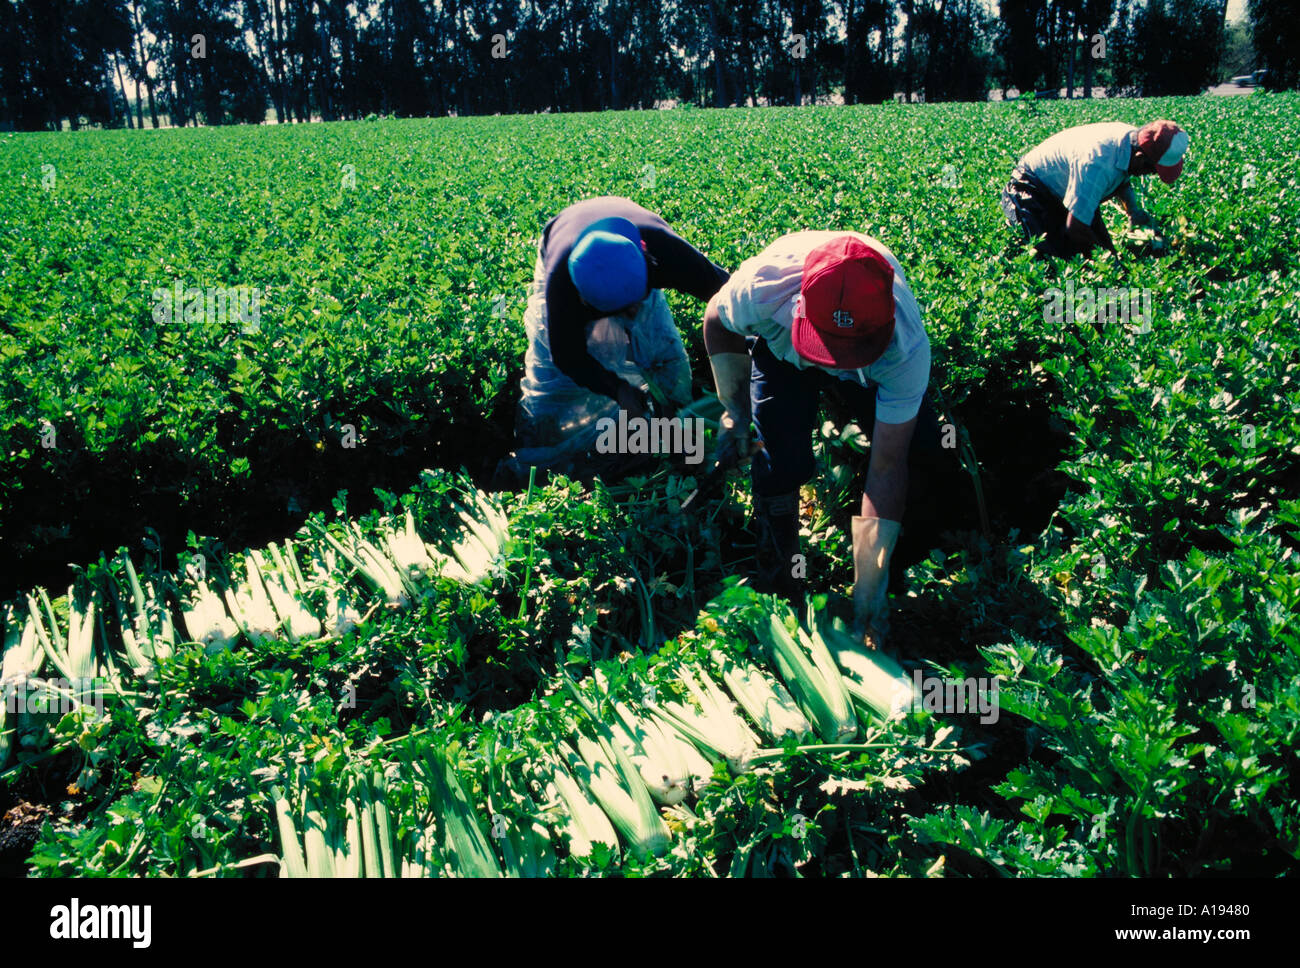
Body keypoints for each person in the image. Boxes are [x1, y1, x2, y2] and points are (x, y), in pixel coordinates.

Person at [703, 231, 960, 647]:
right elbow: (717, 319)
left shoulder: (905, 350)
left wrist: (868, 586)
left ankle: (892, 565)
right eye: (829, 349)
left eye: (849, 352)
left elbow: (887, 464)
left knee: (919, 449)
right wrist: (734, 410)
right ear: (800, 305)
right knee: (779, 460)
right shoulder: (762, 288)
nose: (836, 363)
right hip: (783, 349)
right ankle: (781, 571)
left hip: (872, 369)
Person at [496, 196, 729, 484]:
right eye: (618, 311)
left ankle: (674, 441)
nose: (629, 316)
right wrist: (617, 389)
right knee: (554, 388)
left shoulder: (667, 254)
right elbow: (567, 355)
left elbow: (733, 298)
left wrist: (746, 383)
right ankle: (544, 464)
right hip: (567, 253)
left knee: (663, 358)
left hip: (631, 263)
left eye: (632, 306)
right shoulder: (564, 286)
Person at [1001, 119, 1190, 259]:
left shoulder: (1132, 140)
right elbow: (1076, 227)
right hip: (1030, 189)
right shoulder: (1097, 165)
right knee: (1053, 261)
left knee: (1099, 251)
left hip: (1066, 188)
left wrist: (1133, 211)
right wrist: (1109, 259)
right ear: (1140, 157)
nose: (1150, 175)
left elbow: (1123, 176)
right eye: (1151, 170)